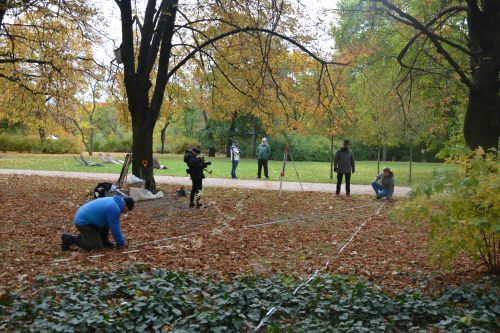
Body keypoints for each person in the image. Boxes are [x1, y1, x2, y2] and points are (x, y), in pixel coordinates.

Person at [61, 195, 134, 251]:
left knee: (107, 223)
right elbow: (115, 228)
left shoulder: (115, 201)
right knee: (96, 246)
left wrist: (106, 241)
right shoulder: (114, 208)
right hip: (83, 222)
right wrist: (121, 243)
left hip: (90, 220)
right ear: (125, 206)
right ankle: (70, 239)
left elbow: (109, 223)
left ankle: (103, 241)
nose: (125, 212)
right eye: (126, 210)